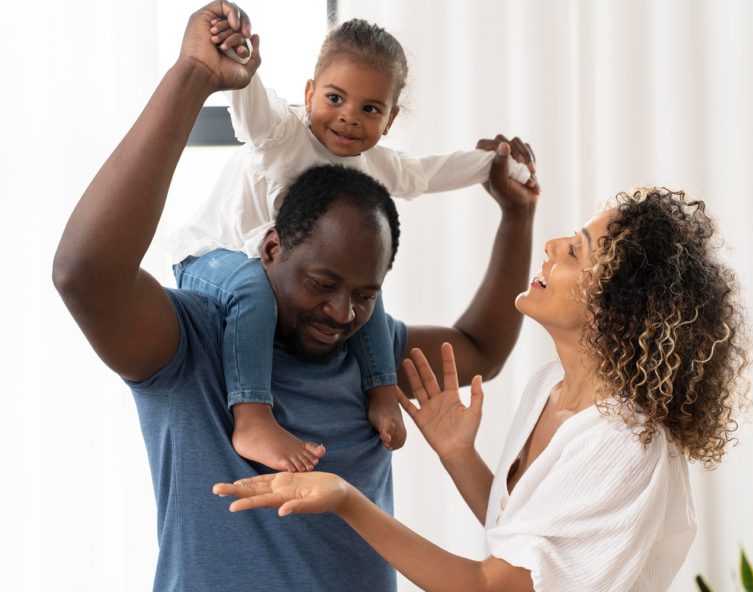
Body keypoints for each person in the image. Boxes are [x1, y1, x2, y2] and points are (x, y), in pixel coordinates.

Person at [51, 2, 538, 591]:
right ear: (273, 250)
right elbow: (85, 274)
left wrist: (516, 214)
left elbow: (479, 347)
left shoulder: (365, 344)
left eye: (364, 292)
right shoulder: (195, 344)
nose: (340, 313)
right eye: (321, 285)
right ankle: (252, 417)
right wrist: (194, 76)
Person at [215, 186, 752, 591]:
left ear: (620, 305)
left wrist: (347, 501)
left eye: (576, 253)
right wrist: (457, 454)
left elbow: (493, 586)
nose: (553, 245)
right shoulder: (551, 390)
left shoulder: (624, 440)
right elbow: (523, 540)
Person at [168, 7, 537, 473]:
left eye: (369, 109)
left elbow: (427, 174)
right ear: (309, 93)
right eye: (335, 98)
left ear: (389, 118)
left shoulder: (375, 165)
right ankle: (253, 416)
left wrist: (495, 166)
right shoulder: (283, 134)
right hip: (216, 259)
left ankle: (382, 387)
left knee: (365, 291)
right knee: (252, 288)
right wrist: (243, 64)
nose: (348, 119)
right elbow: (252, 108)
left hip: (274, 277)